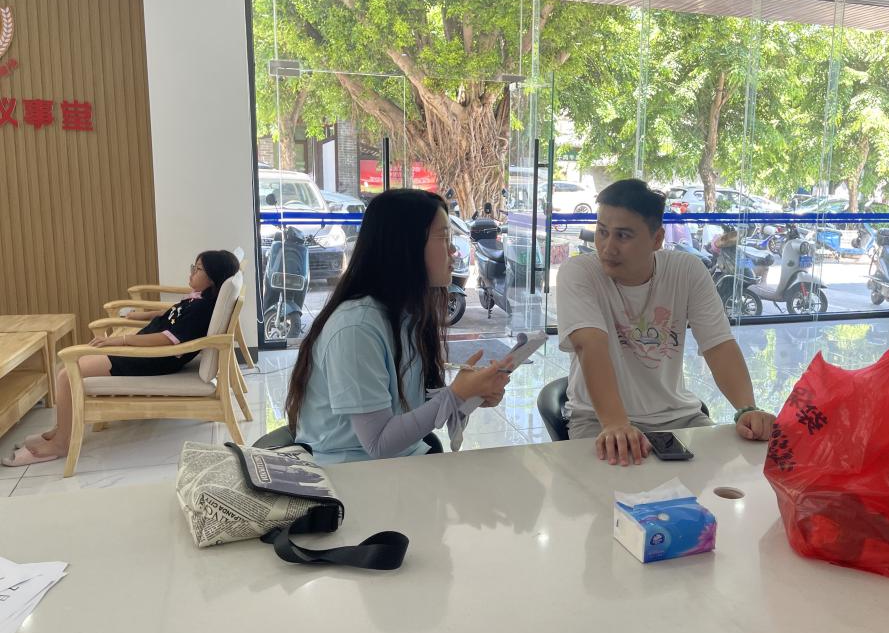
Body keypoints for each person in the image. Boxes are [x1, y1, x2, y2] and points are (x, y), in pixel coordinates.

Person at [556, 179, 776, 467]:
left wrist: (747, 409)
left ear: (657, 239)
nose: (608, 247)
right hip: (598, 420)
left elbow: (718, 344)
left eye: (623, 235)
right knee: (616, 485)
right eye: (602, 232)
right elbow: (590, 345)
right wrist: (616, 424)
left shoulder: (687, 270)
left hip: (680, 417)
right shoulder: (579, 272)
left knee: (730, 478)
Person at [284, 188, 511, 464]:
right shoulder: (356, 328)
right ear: (405, 247)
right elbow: (378, 443)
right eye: (444, 238)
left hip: (399, 462)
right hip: (349, 472)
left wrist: (469, 395)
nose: (453, 251)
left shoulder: (407, 313)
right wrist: (455, 395)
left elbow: (410, 406)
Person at [3, 250, 241, 467]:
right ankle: (60, 429)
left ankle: (60, 443)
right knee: (74, 364)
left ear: (213, 278)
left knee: (66, 374)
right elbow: (170, 314)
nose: (191, 272)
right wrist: (142, 316)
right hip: (145, 354)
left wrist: (121, 341)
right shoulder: (197, 299)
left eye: (197, 269)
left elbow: (167, 340)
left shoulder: (200, 310)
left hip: (151, 360)